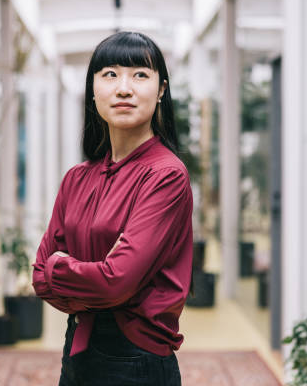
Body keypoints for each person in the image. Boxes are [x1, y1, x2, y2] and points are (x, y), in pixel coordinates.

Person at [32, 31, 193, 386]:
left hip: (136, 358)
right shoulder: (77, 178)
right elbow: (39, 278)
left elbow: (115, 282)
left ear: (161, 90)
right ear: (93, 89)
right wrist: (84, 273)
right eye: (110, 74)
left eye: (140, 75)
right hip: (78, 347)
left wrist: (61, 265)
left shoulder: (166, 175)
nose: (124, 88)